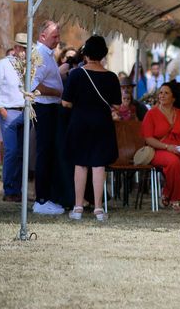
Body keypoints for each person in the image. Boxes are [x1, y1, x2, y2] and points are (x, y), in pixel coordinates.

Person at [62, 35, 122, 222]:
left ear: (85, 54)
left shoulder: (76, 74)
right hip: (102, 124)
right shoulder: (111, 77)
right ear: (103, 54)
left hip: (80, 122)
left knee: (80, 164)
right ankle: (98, 209)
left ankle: (78, 207)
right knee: (98, 165)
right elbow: (117, 105)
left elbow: (65, 102)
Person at [141, 81, 180, 212]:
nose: (162, 95)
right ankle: (176, 199)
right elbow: (148, 138)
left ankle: (167, 193)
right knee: (173, 162)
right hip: (159, 150)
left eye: (166, 93)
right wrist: (167, 147)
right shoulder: (151, 114)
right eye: (160, 93)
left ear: (173, 98)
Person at [31, 20, 65, 215]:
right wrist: (57, 92)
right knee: (44, 154)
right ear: (42, 36)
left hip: (50, 108)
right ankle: (41, 200)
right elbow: (33, 85)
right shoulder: (40, 54)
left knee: (49, 153)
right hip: (44, 108)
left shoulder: (47, 53)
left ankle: (48, 197)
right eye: (54, 36)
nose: (58, 39)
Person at [0, 34, 27, 203]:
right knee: (11, 152)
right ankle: (9, 189)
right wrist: (1, 109)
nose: (26, 52)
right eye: (24, 49)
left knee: (21, 154)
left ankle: (18, 190)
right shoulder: (3, 64)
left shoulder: (28, 66)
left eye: (28, 49)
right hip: (9, 111)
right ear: (16, 48)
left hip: (25, 111)